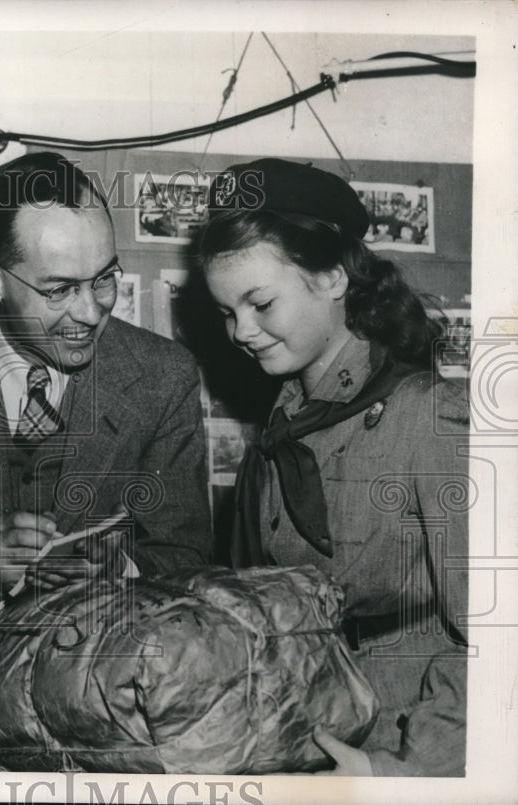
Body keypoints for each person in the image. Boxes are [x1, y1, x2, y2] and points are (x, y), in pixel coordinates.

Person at [0, 151, 212, 769]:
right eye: (59, 289)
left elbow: (185, 562)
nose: (91, 311)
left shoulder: (163, 378)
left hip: (100, 726)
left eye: (104, 277)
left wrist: (119, 573)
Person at [199, 158, 468, 776]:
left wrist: (397, 772)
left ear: (332, 277)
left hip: (406, 750)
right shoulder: (282, 430)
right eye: (225, 312)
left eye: (260, 302)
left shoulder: (431, 418)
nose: (241, 331)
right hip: (306, 744)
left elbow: (498, 641)